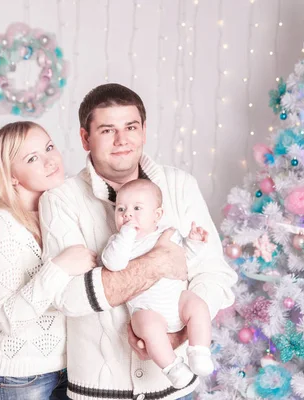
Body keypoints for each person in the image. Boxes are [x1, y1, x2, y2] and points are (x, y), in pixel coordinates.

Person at [39, 83, 238, 400]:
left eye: (130, 127)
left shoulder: (180, 185)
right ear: (84, 138)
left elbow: (214, 274)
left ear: (144, 130)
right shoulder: (60, 199)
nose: (121, 140)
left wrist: (175, 332)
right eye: (107, 130)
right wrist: (157, 262)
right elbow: (66, 297)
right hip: (99, 391)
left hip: (174, 388)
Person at [0, 121, 96, 400]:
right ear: (11, 176)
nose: (49, 160)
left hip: (71, 368)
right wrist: (60, 267)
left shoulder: (60, 214)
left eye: (49, 147)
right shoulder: (0, 226)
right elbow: (7, 318)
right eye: (32, 158)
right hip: (17, 377)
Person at [100, 179, 215, 389]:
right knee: (149, 327)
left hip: (177, 301)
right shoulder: (118, 243)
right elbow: (113, 264)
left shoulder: (168, 234)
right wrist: (125, 235)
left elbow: (185, 261)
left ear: (157, 215)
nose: (127, 214)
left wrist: (194, 242)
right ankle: (173, 368)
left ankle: (199, 351)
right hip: (147, 308)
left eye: (137, 208)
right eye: (121, 209)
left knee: (198, 305)